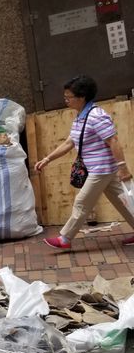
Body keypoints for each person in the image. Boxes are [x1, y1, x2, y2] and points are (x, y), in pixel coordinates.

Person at [35, 75, 134, 249]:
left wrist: (123, 168)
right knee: (123, 200)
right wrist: (47, 159)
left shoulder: (96, 115)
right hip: (102, 169)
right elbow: (69, 142)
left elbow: (113, 141)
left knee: (82, 202)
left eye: (69, 97)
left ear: (82, 97)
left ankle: (65, 238)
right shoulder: (80, 116)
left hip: (101, 169)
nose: (66, 100)